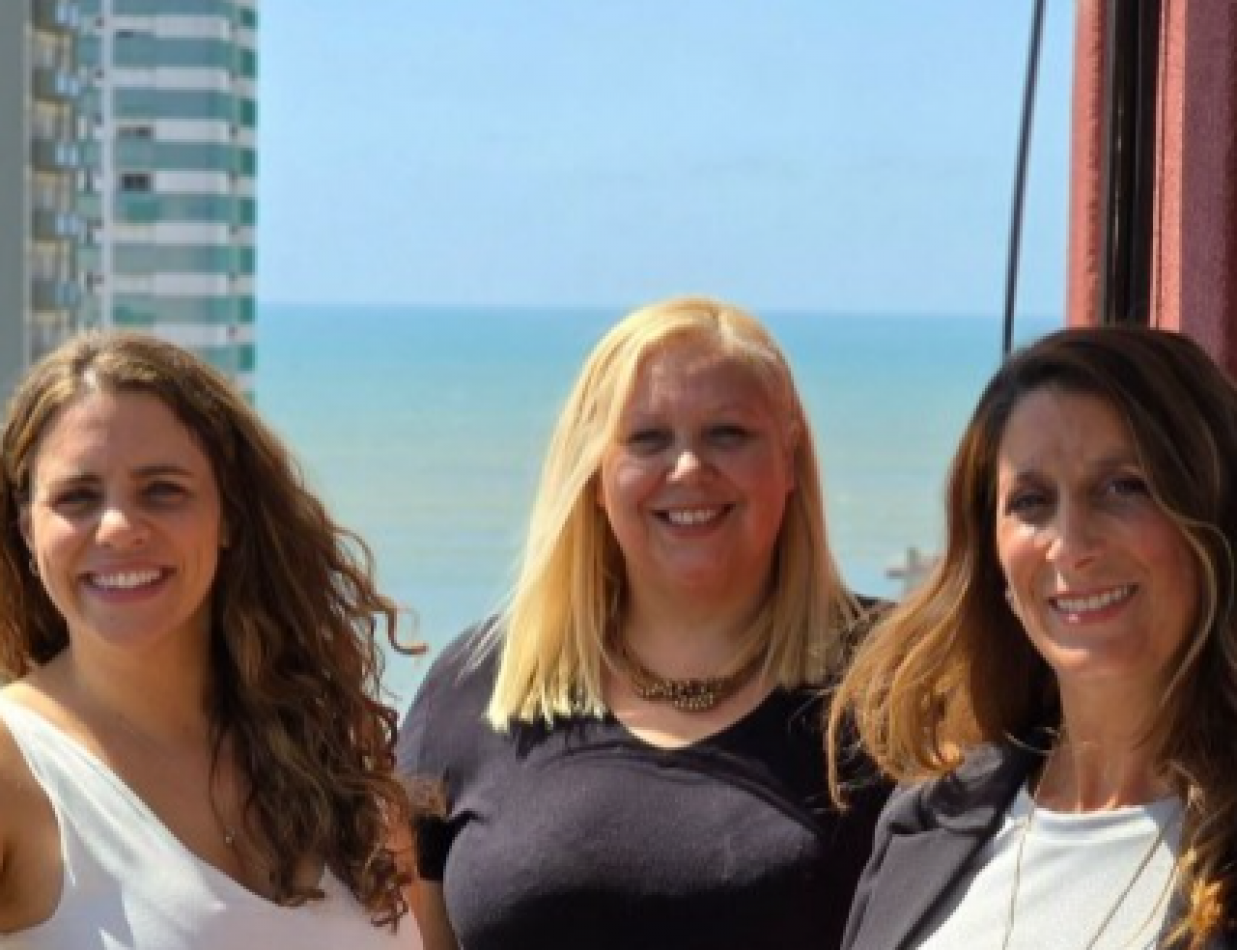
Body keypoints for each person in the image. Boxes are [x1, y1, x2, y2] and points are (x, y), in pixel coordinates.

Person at [398, 295, 890, 950]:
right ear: (594, 476)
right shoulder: (476, 687)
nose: (688, 468)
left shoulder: (897, 679)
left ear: (789, 458)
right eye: (647, 439)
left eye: (728, 434)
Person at [0, 332, 421, 948]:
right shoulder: (15, 768)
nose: (117, 527)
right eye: (76, 498)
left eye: (163, 490)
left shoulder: (332, 750)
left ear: (230, 517)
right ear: (27, 529)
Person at [830, 326, 1237, 950]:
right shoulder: (930, 815)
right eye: (1031, 501)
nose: (1071, 546)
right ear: (993, 560)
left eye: (1124, 486)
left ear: (1213, 513)